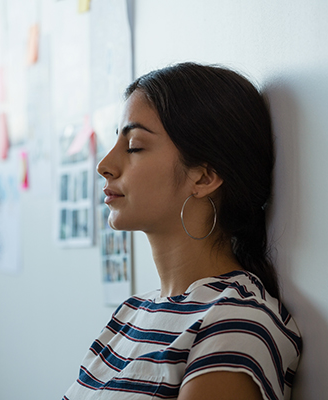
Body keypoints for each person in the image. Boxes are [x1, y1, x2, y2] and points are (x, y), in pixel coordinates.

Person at [62, 63, 302, 400]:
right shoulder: (130, 316)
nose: (105, 164)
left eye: (134, 146)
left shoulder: (235, 322)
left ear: (203, 177)